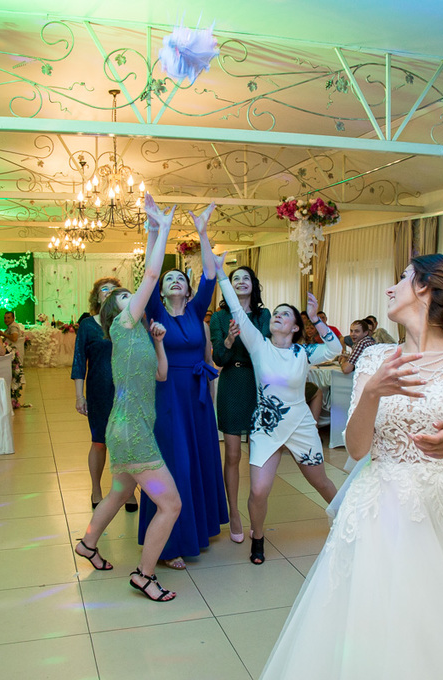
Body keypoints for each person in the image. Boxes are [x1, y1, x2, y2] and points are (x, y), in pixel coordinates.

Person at [259, 254, 443, 680]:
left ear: (426, 289)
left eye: (401, 278)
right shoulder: (376, 357)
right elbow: (357, 449)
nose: (390, 288)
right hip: (377, 514)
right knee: (371, 631)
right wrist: (372, 392)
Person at [73, 193, 182, 602]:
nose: (129, 296)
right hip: (132, 430)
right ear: (114, 312)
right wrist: (163, 229)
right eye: (122, 296)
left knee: (119, 492)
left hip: (126, 427)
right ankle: (144, 575)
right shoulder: (122, 324)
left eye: (127, 293)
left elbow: (161, 374)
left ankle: (88, 543)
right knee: (170, 505)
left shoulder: (138, 335)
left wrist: (152, 229)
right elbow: (151, 275)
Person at [214, 253, 342, 564]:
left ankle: (347, 519)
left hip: (300, 426)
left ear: (296, 327)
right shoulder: (259, 346)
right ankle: (258, 538)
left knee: (321, 482)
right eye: (276, 313)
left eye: (285, 314)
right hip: (265, 427)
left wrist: (316, 318)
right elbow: (236, 310)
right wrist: (220, 274)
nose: (278, 316)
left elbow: (335, 348)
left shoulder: (304, 352)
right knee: (259, 490)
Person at [139, 203, 227, 570]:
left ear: (188, 290)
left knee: (199, 459)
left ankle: (198, 529)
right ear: (161, 291)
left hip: (197, 397)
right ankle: (169, 543)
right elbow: (150, 272)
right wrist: (154, 232)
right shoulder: (156, 312)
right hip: (168, 395)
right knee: (175, 462)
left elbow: (211, 274)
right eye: (169, 279)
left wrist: (203, 233)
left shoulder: (195, 311)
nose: (175, 281)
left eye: (180, 278)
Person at [209, 265, 271, 543]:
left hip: (258, 383)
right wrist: (229, 339)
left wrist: (245, 332)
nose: (241, 282)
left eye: (246, 278)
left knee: (258, 455)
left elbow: (264, 348)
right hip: (232, 382)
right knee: (233, 455)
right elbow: (219, 359)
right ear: (229, 286)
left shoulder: (263, 315)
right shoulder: (220, 317)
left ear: (253, 284)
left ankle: (255, 513)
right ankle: (234, 512)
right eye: (236, 279)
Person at [73, 277, 138, 512]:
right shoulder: (88, 325)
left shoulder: (129, 323)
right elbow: (79, 362)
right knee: (99, 442)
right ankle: (96, 489)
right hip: (99, 390)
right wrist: (80, 396)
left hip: (126, 391)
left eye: (114, 290)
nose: (109, 292)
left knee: (126, 443)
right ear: (97, 297)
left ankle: (127, 491)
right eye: (104, 289)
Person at [0, 311, 26, 407]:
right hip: (16, 350)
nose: (6, 320)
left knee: (17, 368)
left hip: (16, 350)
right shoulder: (11, 326)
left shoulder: (13, 327)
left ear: (13, 318)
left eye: (8, 318)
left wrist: (3, 334)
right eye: (5, 318)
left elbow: (14, 338)